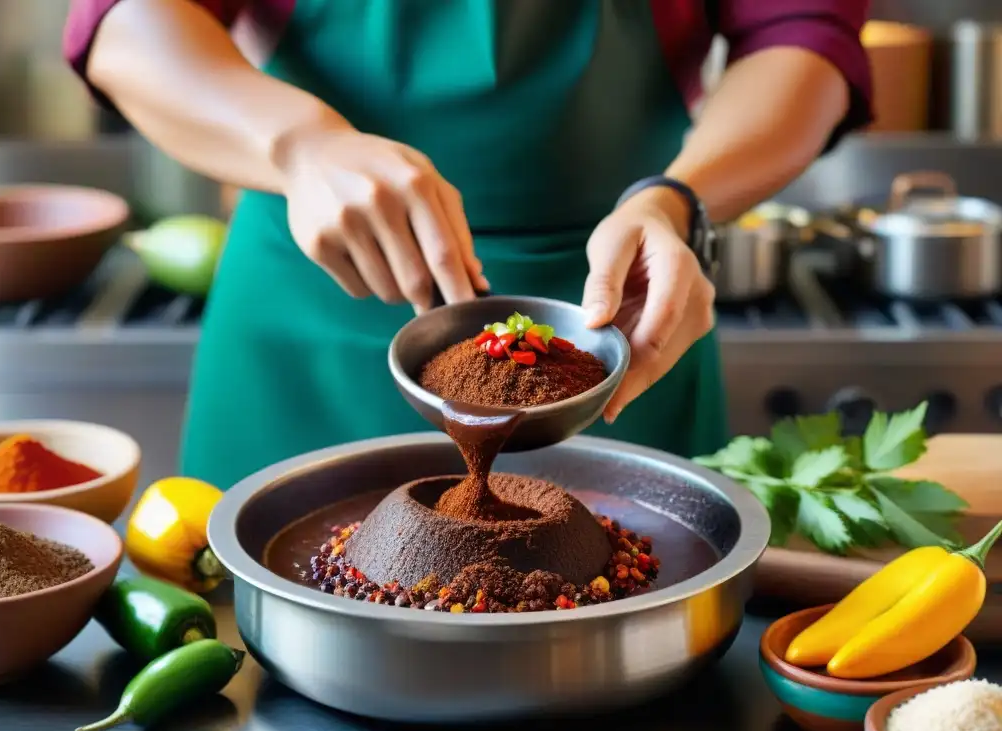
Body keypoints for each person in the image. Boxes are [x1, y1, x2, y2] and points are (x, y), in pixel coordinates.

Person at [65, 0, 872, 490]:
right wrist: (300, 145)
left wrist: (677, 200)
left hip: (619, 304)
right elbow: (127, 22)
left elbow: (803, 34)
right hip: (312, 294)